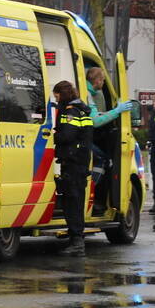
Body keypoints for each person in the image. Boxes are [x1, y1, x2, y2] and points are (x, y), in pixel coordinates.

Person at [53, 80, 94, 257]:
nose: (56, 99)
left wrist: (54, 135)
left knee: (73, 202)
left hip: (73, 162)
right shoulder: (82, 109)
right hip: (80, 161)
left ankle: (77, 241)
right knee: (75, 201)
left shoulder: (70, 111)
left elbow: (67, 135)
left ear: (62, 94)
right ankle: (76, 239)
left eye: (57, 95)